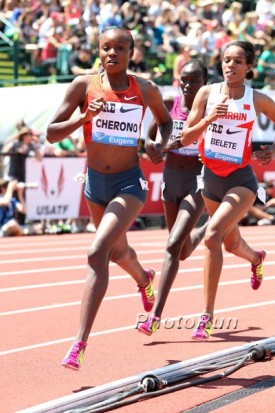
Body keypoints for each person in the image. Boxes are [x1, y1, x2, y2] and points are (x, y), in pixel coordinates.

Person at [46, 26, 173, 370]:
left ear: (132, 53)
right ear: (98, 51)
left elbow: (165, 123)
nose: (112, 53)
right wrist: (83, 117)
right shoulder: (83, 86)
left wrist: (157, 144)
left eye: (120, 48)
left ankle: (79, 344)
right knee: (118, 251)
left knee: (97, 251)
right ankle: (144, 279)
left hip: (128, 183)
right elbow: (51, 134)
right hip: (94, 183)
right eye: (106, 48)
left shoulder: (145, 88)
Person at [169, 40, 275, 341]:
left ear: (249, 66)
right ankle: (255, 259)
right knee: (229, 244)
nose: (230, 65)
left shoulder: (257, 99)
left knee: (212, 236)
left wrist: (271, 150)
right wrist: (209, 118)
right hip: (211, 182)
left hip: (241, 181)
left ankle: (206, 316)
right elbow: (187, 138)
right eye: (226, 60)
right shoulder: (207, 93)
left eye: (238, 61)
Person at [137, 59, 209, 336]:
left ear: (204, 83)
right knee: (182, 250)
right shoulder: (170, 103)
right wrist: (153, 148)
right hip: (171, 180)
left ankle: (154, 316)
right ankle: (203, 230)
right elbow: (153, 135)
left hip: (197, 182)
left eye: (194, 81)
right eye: (184, 80)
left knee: (171, 245)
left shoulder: (210, 108)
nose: (188, 86)